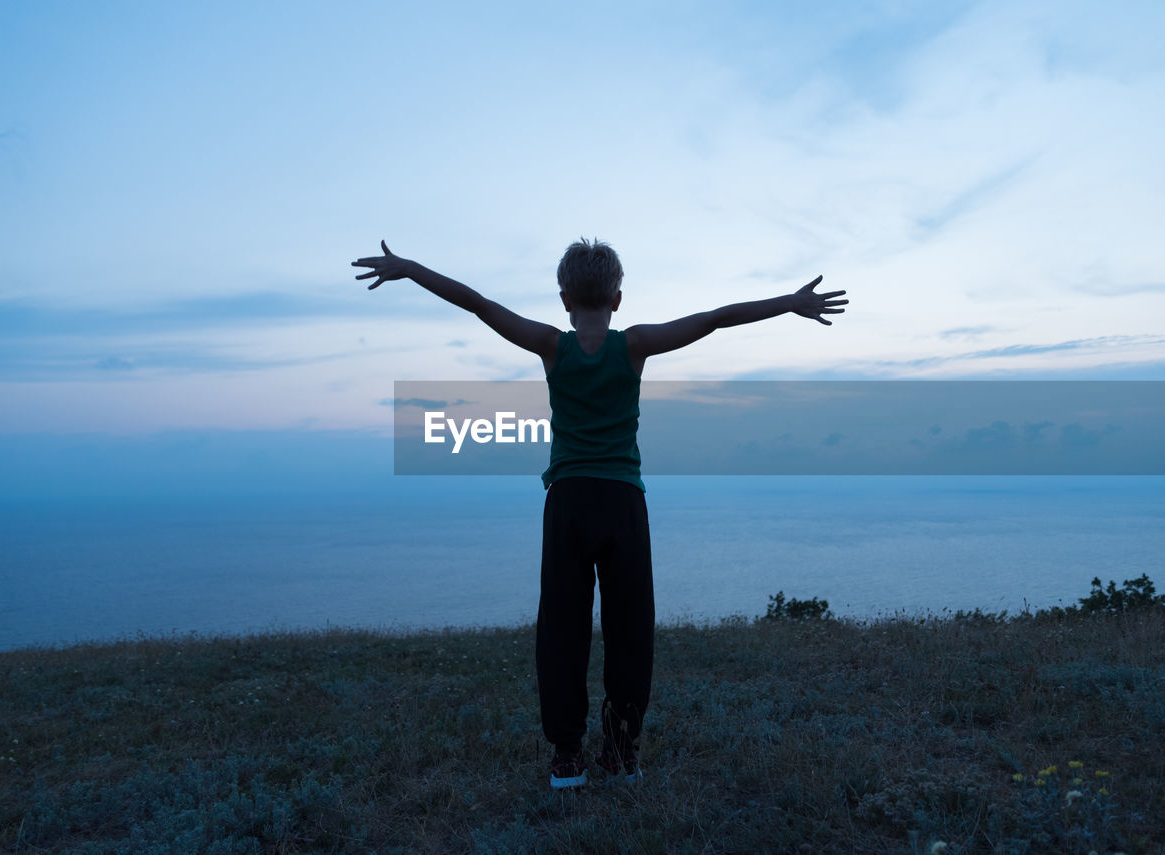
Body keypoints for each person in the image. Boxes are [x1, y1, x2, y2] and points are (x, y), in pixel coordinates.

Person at [353, 238, 847, 789]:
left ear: (564, 298)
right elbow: (717, 319)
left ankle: (568, 756)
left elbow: (477, 304)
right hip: (622, 504)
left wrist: (409, 268)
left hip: (567, 502)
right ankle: (619, 753)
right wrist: (789, 302)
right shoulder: (633, 346)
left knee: (562, 629)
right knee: (630, 629)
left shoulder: (551, 346)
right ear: (617, 298)